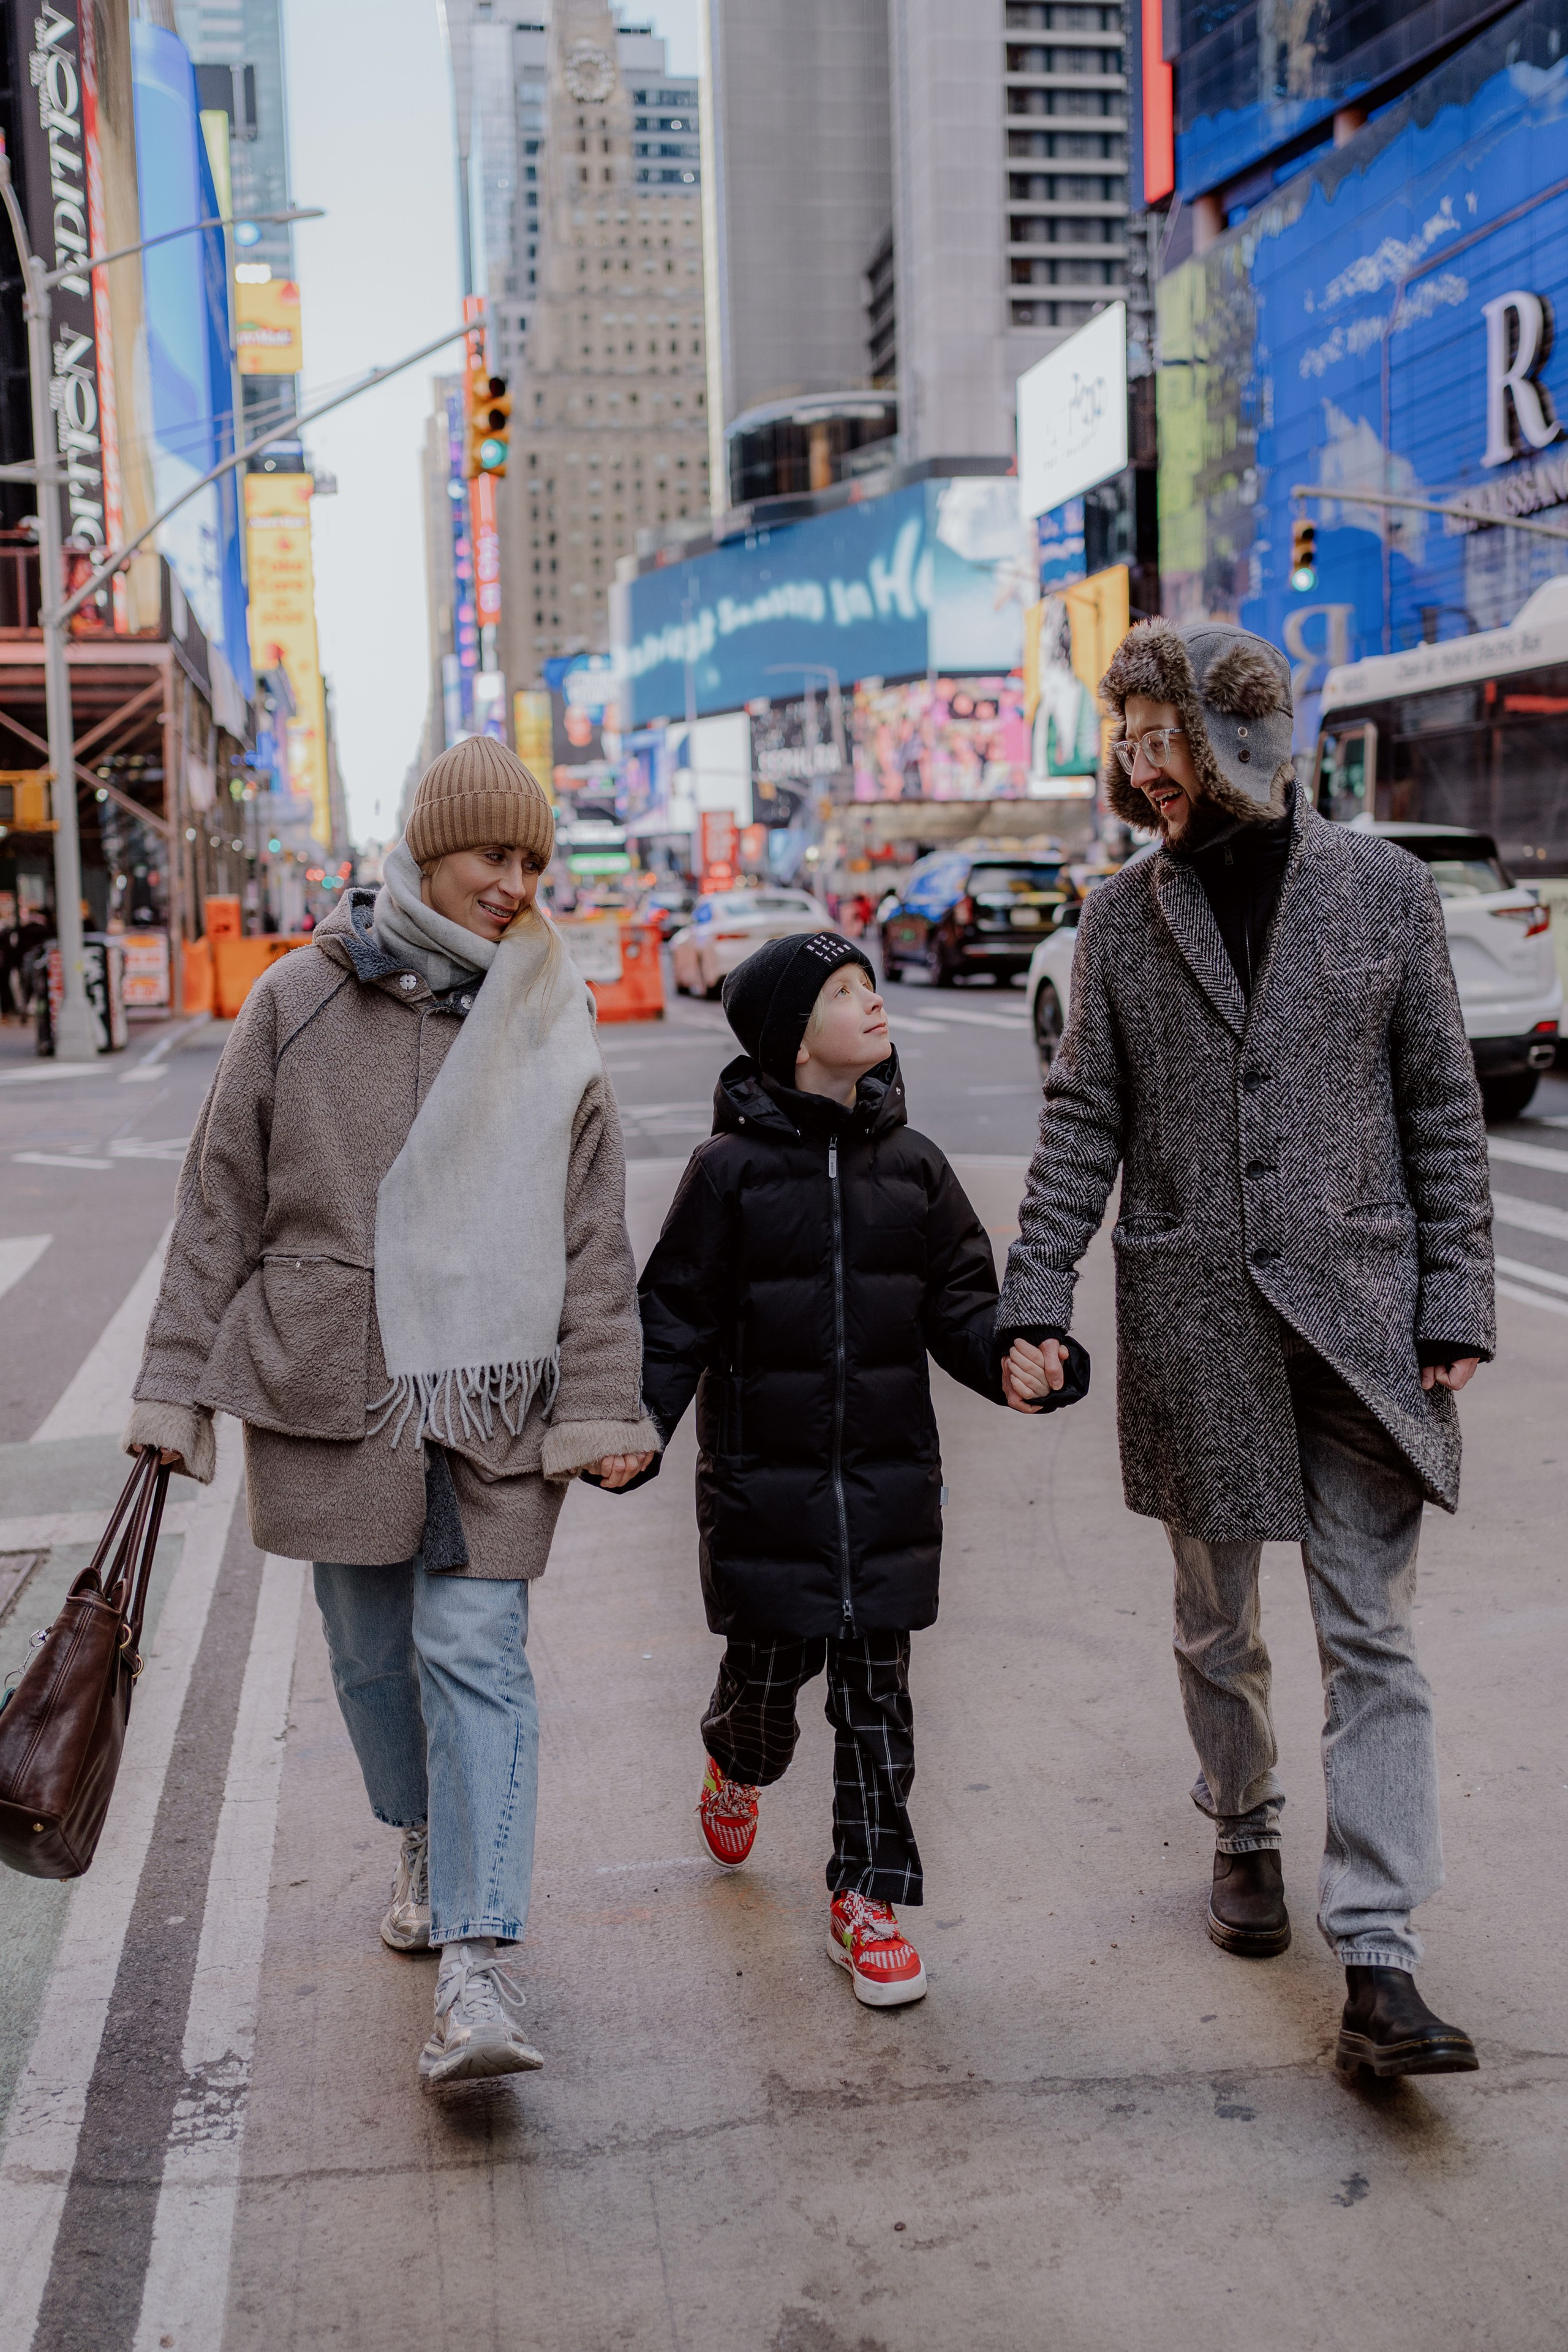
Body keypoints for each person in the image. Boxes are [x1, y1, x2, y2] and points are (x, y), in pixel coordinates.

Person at [996, 617, 1494, 2079]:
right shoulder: (1117, 920)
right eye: (1128, 746)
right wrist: (1034, 1293)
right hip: (1197, 1317)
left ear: (1236, 738)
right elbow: (1083, 1117)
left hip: (1360, 1316)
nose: (1142, 771)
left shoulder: (1382, 891)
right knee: (1216, 1619)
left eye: (1163, 742)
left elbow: (1439, 1104)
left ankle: (1380, 1955)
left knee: (1371, 1634)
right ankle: (1241, 1821)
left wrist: (1455, 1297)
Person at [124, 737, 658, 2086]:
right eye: (493, 855)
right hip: (333, 1386)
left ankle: (479, 1962)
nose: (515, 884)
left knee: (479, 1654)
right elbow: (217, 1203)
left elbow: (591, 1235)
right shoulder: (297, 997)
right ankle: (419, 1833)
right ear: (427, 848)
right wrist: (173, 1388)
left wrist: (603, 1402)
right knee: (370, 1663)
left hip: (491, 1399)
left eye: (532, 861)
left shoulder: (546, 1011)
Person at [615, 932, 1087, 2008]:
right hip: (765, 1498)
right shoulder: (726, 1175)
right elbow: (673, 1317)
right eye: (843, 990)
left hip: (884, 1494)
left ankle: (867, 1899)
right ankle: (735, 1761)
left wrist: (1015, 1361)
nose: (872, 1002)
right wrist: (635, 1426)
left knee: (878, 1703)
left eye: (872, 983)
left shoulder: (913, 1167)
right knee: (765, 1691)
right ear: (793, 1037)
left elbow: (964, 1305)